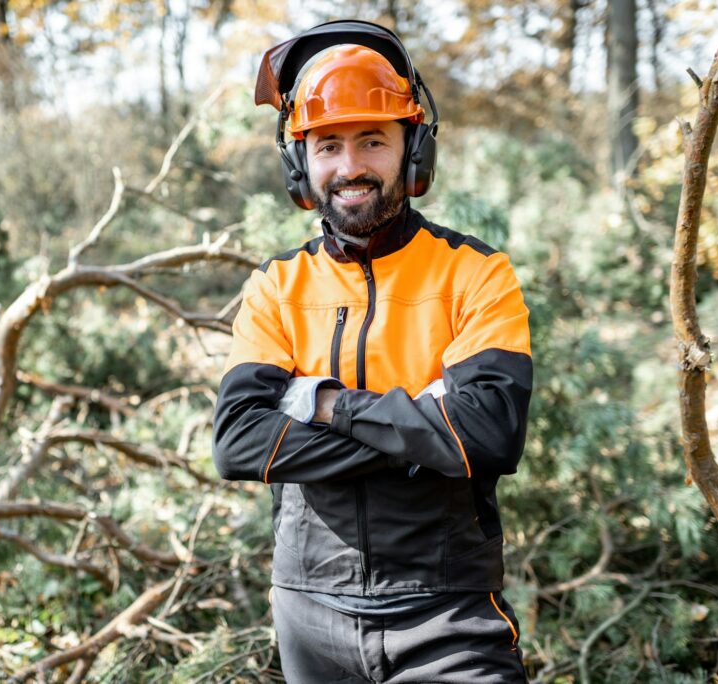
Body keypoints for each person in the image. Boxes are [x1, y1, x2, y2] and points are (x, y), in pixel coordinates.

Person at [212, 20, 533, 683]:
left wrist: (321, 402)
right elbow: (240, 443)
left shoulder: (476, 274)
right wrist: (423, 423)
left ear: (412, 150)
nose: (350, 166)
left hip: (448, 613)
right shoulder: (278, 288)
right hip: (309, 614)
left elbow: (489, 437)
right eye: (328, 144)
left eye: (372, 140)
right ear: (299, 162)